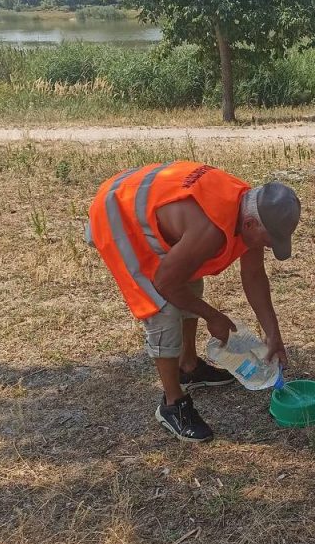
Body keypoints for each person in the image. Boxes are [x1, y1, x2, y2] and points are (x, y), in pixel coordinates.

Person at [86, 161, 300, 443]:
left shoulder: (251, 208)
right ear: (250, 224)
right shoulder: (209, 230)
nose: (270, 246)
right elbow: (165, 283)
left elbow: (254, 276)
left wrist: (274, 335)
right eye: (269, 240)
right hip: (118, 213)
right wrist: (213, 316)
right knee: (162, 308)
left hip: (144, 198)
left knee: (190, 281)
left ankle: (189, 366)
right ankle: (173, 404)